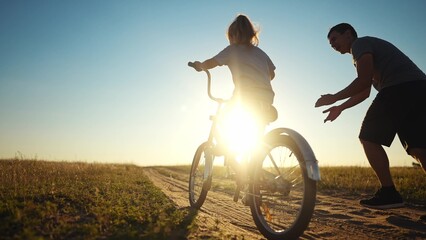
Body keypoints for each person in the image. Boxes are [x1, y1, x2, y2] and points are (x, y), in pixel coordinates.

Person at [315, 23, 426, 209]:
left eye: (334, 38)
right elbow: (365, 91)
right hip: (419, 89)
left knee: (368, 137)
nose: (332, 45)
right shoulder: (365, 54)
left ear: (348, 34)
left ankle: (389, 192)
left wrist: (333, 97)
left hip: (399, 88)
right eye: (330, 43)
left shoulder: (360, 44)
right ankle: (390, 192)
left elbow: (363, 81)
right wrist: (340, 107)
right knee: (419, 149)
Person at [191, 14, 277, 124]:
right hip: (267, 98)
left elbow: (212, 62)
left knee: (223, 119)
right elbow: (272, 74)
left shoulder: (232, 50)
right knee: (257, 126)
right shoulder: (261, 53)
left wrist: (201, 65)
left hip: (245, 95)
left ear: (233, 36)